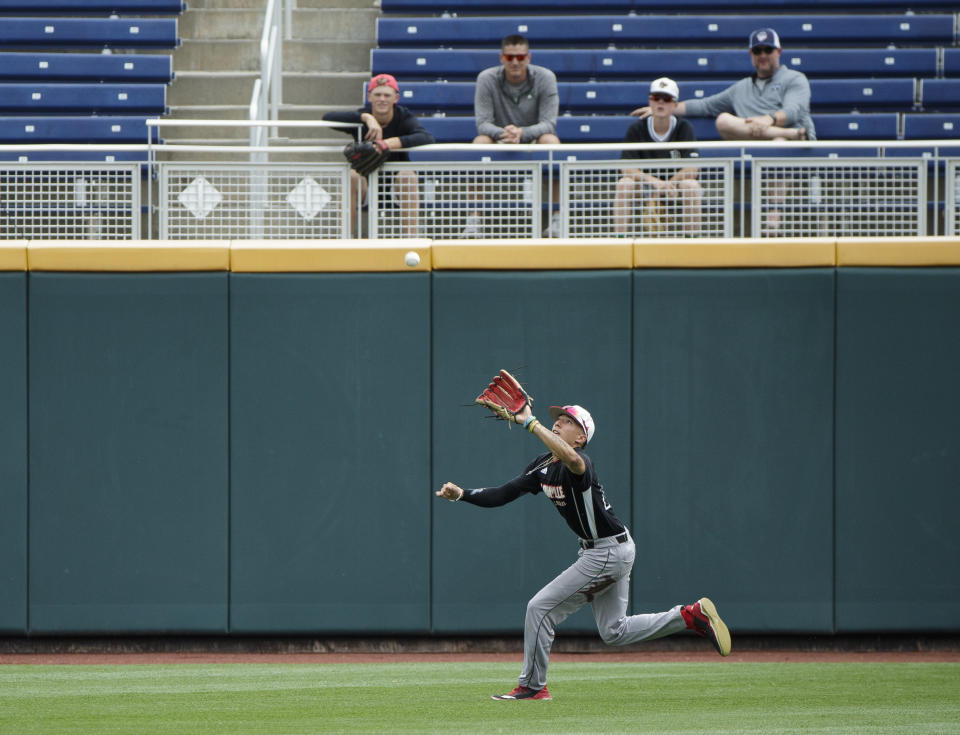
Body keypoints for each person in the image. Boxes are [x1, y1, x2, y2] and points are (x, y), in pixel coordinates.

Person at [435, 385, 731, 701]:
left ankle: (533, 686)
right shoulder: (541, 466)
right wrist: (463, 495)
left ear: (580, 437)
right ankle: (689, 616)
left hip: (606, 551)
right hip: (609, 548)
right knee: (614, 632)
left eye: (568, 420)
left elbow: (572, 460)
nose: (559, 421)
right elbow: (503, 493)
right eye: (558, 418)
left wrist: (530, 423)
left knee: (539, 608)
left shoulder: (581, 464)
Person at [630, 28, 815, 142]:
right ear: (751, 54)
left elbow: (794, 110)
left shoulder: (795, 78)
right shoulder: (741, 87)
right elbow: (705, 105)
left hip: (789, 144)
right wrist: (662, 106)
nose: (763, 55)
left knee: (778, 143)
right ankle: (791, 133)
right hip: (754, 141)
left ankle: (776, 207)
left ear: (779, 52)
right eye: (758, 51)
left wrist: (768, 120)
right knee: (724, 120)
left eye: (768, 49)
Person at [465, 34, 561, 237]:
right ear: (502, 58)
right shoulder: (486, 78)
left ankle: (558, 217)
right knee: (479, 142)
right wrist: (504, 133)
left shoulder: (546, 77)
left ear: (528, 57)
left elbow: (549, 123)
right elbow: (482, 124)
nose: (515, 62)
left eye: (520, 57)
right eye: (510, 58)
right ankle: (474, 219)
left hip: (532, 137)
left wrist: (523, 133)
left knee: (551, 141)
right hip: (500, 137)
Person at [323, 73, 435, 237]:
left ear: (395, 98)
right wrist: (367, 118)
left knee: (408, 176)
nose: (382, 99)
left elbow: (426, 137)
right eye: (377, 94)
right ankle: (345, 239)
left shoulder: (403, 116)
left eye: (387, 95)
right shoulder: (362, 117)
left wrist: (385, 144)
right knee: (352, 175)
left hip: (395, 187)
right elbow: (327, 118)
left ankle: (411, 241)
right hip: (366, 187)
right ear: (369, 96)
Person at [616, 77, 702, 236]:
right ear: (650, 101)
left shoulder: (684, 128)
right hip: (645, 187)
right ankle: (619, 241)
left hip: (675, 188)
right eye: (656, 98)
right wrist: (655, 183)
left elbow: (692, 168)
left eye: (667, 99)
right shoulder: (637, 128)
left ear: (675, 105)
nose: (660, 103)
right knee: (624, 184)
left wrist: (667, 185)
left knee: (691, 185)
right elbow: (626, 168)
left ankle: (693, 242)